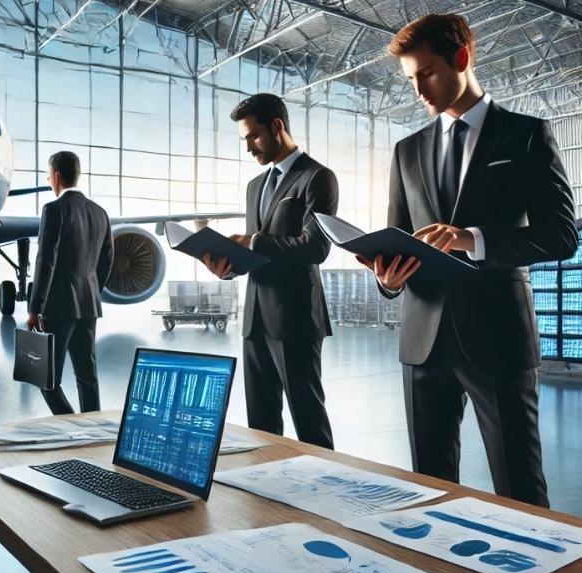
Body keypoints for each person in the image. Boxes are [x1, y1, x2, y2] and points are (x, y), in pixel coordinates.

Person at [357, 13, 578, 506]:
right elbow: (397, 237)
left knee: (520, 491)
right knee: (429, 491)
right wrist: (388, 279)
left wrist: (471, 239)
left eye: (427, 73)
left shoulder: (525, 135)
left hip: (498, 337)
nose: (419, 90)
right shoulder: (406, 150)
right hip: (422, 340)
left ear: (461, 58)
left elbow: (562, 236)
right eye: (411, 79)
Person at [204, 93, 338, 448]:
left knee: (309, 424)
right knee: (260, 428)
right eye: (244, 140)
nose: (249, 147)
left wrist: (251, 241)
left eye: (253, 136)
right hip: (255, 321)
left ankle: (327, 484)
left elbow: (316, 247)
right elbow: (257, 254)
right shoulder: (255, 187)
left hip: (295, 320)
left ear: (277, 126)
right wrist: (228, 266)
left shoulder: (317, 177)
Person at [28, 151, 114, 415]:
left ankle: (70, 423)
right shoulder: (100, 213)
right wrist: (92, 291)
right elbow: (107, 260)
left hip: (59, 307)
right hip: (89, 306)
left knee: (47, 380)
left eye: (48, 176)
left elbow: (46, 261)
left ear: (55, 176)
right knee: (87, 377)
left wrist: (35, 308)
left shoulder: (53, 210)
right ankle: (94, 429)